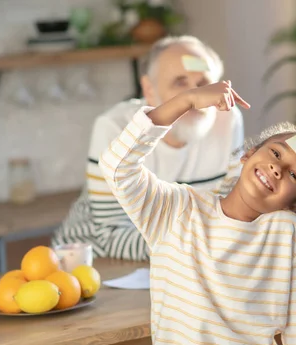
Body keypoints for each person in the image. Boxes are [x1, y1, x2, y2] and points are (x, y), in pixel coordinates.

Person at [99, 80, 296, 345]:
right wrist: (188, 99)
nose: (277, 168)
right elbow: (116, 167)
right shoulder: (179, 210)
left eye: (294, 175)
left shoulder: (288, 234)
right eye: (276, 153)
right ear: (248, 154)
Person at [52, 35, 244, 261]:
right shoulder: (113, 127)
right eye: (180, 83)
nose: (196, 97)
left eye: (203, 83)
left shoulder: (227, 120)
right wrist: (200, 245)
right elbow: (111, 235)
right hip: (94, 261)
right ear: (149, 89)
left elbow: (223, 213)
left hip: (184, 260)